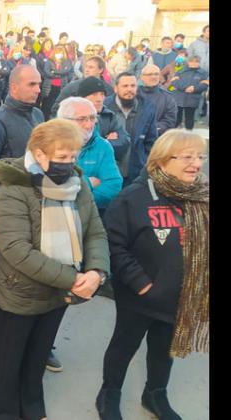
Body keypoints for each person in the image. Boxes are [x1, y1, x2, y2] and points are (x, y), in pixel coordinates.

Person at [0, 119, 110, 420]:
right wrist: (74, 278)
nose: (69, 164)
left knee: (37, 356)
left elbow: (95, 233)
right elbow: (17, 250)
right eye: (61, 157)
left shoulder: (77, 184)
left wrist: (97, 272)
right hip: (16, 291)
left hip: (58, 291)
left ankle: (31, 408)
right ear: (39, 155)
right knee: (6, 360)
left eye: (73, 156)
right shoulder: (13, 186)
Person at [96, 130, 208, 420]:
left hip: (181, 297)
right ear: (161, 160)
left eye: (200, 156)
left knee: (164, 350)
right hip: (140, 297)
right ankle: (109, 394)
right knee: (124, 346)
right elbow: (114, 244)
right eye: (187, 157)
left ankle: (155, 394)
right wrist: (143, 285)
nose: (196, 163)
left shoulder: (200, 197)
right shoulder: (134, 197)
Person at [0, 64, 43, 327]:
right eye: (32, 85)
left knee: (22, 249)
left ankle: (11, 292)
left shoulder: (37, 114)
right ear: (14, 87)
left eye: (38, 84)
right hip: (3, 201)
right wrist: (18, 180)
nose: (38, 89)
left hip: (33, 199)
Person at [57, 97, 122, 214]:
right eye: (81, 119)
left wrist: (79, 202)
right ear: (64, 121)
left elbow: (113, 187)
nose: (89, 125)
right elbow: (50, 184)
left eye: (92, 118)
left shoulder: (103, 147)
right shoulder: (50, 145)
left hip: (93, 216)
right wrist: (88, 182)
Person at [104, 72, 159, 186]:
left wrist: (146, 164)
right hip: (109, 172)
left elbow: (151, 141)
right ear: (115, 88)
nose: (129, 89)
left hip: (137, 172)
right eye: (125, 86)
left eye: (133, 86)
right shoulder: (104, 108)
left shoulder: (147, 107)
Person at [77, 76, 131, 174]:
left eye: (102, 94)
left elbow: (125, 141)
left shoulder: (109, 116)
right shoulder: (71, 116)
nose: (99, 99)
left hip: (105, 173)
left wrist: (99, 145)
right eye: (94, 94)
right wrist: (106, 141)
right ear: (82, 98)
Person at [137, 64, 178, 136]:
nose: (154, 77)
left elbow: (169, 120)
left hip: (157, 137)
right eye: (149, 74)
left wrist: (151, 129)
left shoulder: (168, 98)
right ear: (142, 77)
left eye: (156, 74)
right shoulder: (133, 94)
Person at [170, 56, 208, 131]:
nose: (194, 63)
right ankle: (174, 133)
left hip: (193, 98)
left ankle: (189, 134)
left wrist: (194, 88)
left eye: (196, 61)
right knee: (177, 117)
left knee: (189, 118)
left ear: (199, 63)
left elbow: (205, 84)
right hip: (179, 97)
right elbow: (174, 82)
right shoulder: (181, 71)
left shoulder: (204, 73)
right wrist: (184, 88)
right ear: (188, 62)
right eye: (192, 61)